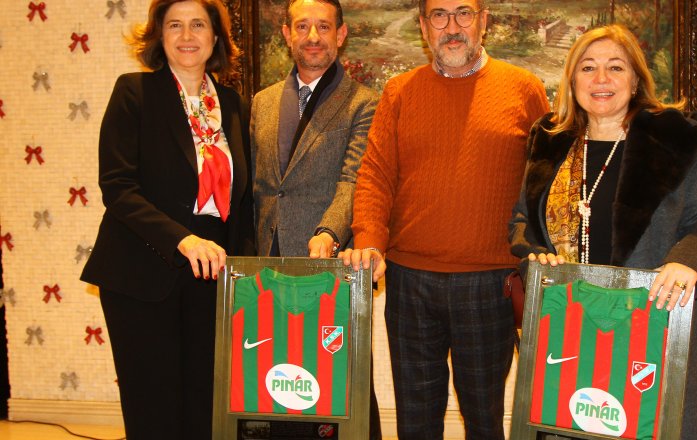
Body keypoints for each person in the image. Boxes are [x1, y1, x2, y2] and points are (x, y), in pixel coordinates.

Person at [508, 24, 697, 439]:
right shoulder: (550, 141)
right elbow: (523, 222)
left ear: (635, 79)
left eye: (615, 67)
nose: (601, 79)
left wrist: (686, 261)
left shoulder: (674, 140)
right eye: (588, 68)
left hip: (656, 335)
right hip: (573, 336)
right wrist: (535, 258)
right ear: (572, 80)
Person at [340, 0, 550, 438]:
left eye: (463, 13)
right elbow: (376, 175)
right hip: (409, 282)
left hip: (490, 283)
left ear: (483, 21)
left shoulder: (524, 89)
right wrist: (370, 240)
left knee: (484, 421)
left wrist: (536, 252)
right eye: (439, 15)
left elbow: (543, 183)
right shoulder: (399, 92)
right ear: (423, 26)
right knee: (416, 422)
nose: (452, 26)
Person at [80, 1, 254, 438]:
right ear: (159, 35)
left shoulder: (233, 104)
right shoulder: (134, 92)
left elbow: (244, 199)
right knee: (153, 407)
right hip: (143, 267)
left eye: (198, 25)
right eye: (174, 25)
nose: (187, 36)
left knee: (206, 405)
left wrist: (248, 272)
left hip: (213, 270)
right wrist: (183, 239)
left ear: (216, 36)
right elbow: (118, 187)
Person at [249, 0, 382, 437]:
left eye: (323, 27)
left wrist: (328, 231)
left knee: (338, 390)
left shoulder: (364, 103)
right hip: (270, 268)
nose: (312, 37)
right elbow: (260, 186)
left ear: (340, 35)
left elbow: (354, 179)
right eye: (302, 26)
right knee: (280, 383)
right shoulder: (262, 102)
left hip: (330, 267)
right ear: (287, 34)